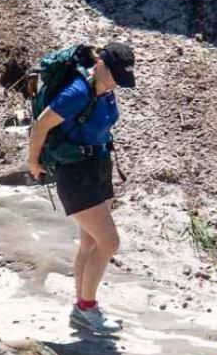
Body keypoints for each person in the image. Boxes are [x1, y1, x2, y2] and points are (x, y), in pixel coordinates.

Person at [27, 41, 136, 334]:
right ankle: (87, 308)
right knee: (109, 243)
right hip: (74, 173)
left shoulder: (106, 89)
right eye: (114, 77)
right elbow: (40, 125)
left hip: (98, 165)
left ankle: (81, 309)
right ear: (100, 64)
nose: (116, 84)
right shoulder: (77, 92)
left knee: (90, 243)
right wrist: (33, 162)